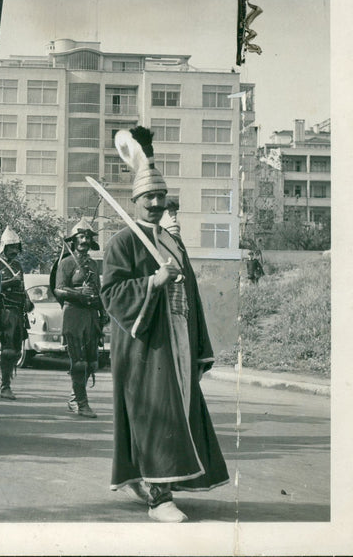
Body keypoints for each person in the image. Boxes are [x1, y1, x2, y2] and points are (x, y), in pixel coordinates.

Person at [101, 126, 229, 523]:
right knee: (154, 416)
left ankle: (158, 483)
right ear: (135, 200)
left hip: (178, 340)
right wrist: (151, 283)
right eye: (149, 197)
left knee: (179, 415)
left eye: (161, 197)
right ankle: (159, 499)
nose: (156, 203)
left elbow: (190, 296)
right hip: (146, 344)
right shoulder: (123, 242)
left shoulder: (172, 241)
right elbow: (111, 294)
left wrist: (200, 348)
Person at [54, 219, 106, 418]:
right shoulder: (66, 262)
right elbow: (58, 289)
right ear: (74, 241)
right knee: (79, 363)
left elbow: (98, 290)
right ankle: (82, 403)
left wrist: (104, 311)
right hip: (74, 315)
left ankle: (75, 397)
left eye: (87, 237)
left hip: (91, 316)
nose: (84, 240)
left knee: (92, 363)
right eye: (81, 237)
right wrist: (78, 294)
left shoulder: (93, 263)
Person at [0, 226, 34, 401]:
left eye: (16, 247)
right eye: (11, 247)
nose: (14, 251)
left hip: (18, 311)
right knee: (8, 351)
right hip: (3, 311)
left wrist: (27, 300)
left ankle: (6, 381)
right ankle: (4, 386)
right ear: (4, 247)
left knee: (16, 352)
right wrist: (11, 281)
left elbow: (21, 286)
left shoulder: (17, 265)